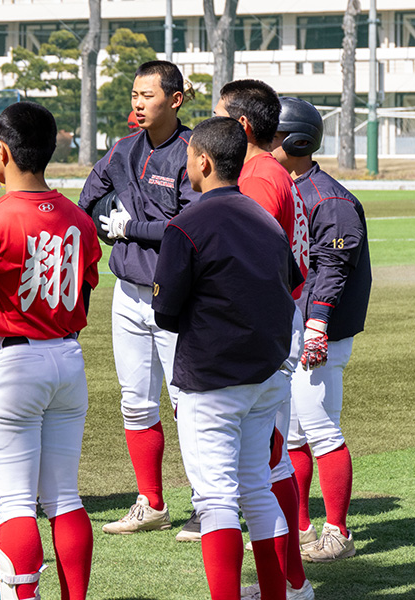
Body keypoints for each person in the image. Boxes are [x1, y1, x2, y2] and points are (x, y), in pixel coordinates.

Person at [0, 101, 102, 600]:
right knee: (64, 497)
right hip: (67, 358)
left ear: (2, 152)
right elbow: (85, 288)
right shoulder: (78, 217)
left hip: (12, 361)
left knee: (15, 504)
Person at [153, 116, 304, 600]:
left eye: (189, 157)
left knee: (216, 499)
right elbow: (288, 285)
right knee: (257, 488)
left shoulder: (187, 223)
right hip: (266, 376)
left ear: (204, 161)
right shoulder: (263, 217)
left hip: (213, 379)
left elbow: (165, 313)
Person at [79, 60, 199, 536]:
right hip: (127, 294)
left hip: (176, 297)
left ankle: (210, 504)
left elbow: (192, 225)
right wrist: (111, 218)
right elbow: (89, 202)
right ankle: (151, 502)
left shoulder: (194, 152)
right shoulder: (123, 149)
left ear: (175, 100)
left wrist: (135, 227)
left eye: (147, 95)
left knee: (187, 403)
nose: (137, 103)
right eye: (134, 95)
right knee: (135, 403)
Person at [215, 80, 315, 600]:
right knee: (266, 462)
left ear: (244, 127)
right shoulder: (270, 171)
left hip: (267, 326)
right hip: (280, 319)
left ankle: (292, 585)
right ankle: (289, 582)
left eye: (219, 116)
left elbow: (243, 264)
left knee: (264, 464)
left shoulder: (256, 176)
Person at [272, 97, 372, 564]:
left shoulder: (328, 197)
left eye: (272, 137)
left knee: (320, 428)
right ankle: (301, 527)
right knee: (292, 433)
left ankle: (338, 532)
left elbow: (332, 268)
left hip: (322, 331)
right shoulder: (288, 186)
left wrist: (316, 326)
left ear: (294, 141)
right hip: (296, 326)